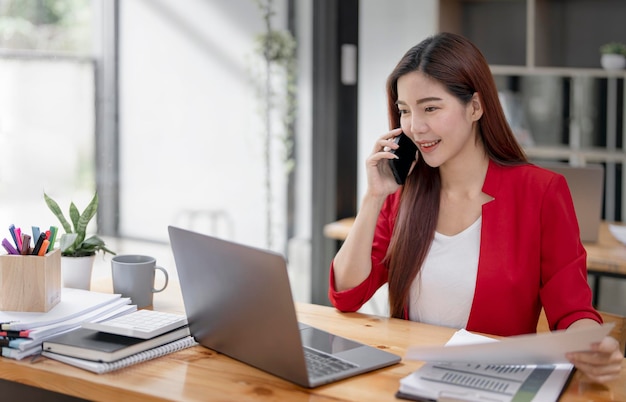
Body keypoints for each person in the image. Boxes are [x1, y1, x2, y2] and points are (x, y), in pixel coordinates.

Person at [328, 32, 622, 383]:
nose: (415, 127)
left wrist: (593, 344)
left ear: (475, 107)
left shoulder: (541, 191)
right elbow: (347, 295)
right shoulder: (404, 191)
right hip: (411, 381)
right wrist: (373, 198)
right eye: (405, 111)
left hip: (494, 384)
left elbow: (572, 310)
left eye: (431, 107)